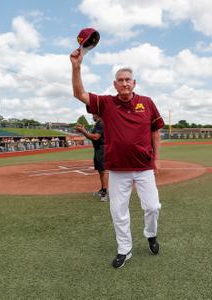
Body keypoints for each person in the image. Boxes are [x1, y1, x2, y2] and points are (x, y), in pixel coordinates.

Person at [70, 48, 165, 269]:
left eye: (128, 80)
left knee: (152, 207)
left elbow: (155, 132)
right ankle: (125, 248)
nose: (124, 83)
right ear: (115, 84)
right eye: (120, 80)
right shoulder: (106, 104)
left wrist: (157, 159)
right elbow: (79, 94)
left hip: (143, 167)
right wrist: (76, 67)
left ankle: (151, 234)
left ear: (134, 83)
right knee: (118, 211)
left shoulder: (147, 103)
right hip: (118, 170)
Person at [75, 114, 108, 202]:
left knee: (103, 171)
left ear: (97, 114)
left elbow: (96, 137)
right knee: (101, 171)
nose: (92, 115)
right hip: (98, 149)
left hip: (102, 149)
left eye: (93, 114)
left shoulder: (101, 123)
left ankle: (104, 192)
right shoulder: (98, 124)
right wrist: (84, 131)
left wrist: (83, 131)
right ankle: (102, 190)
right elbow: (92, 137)